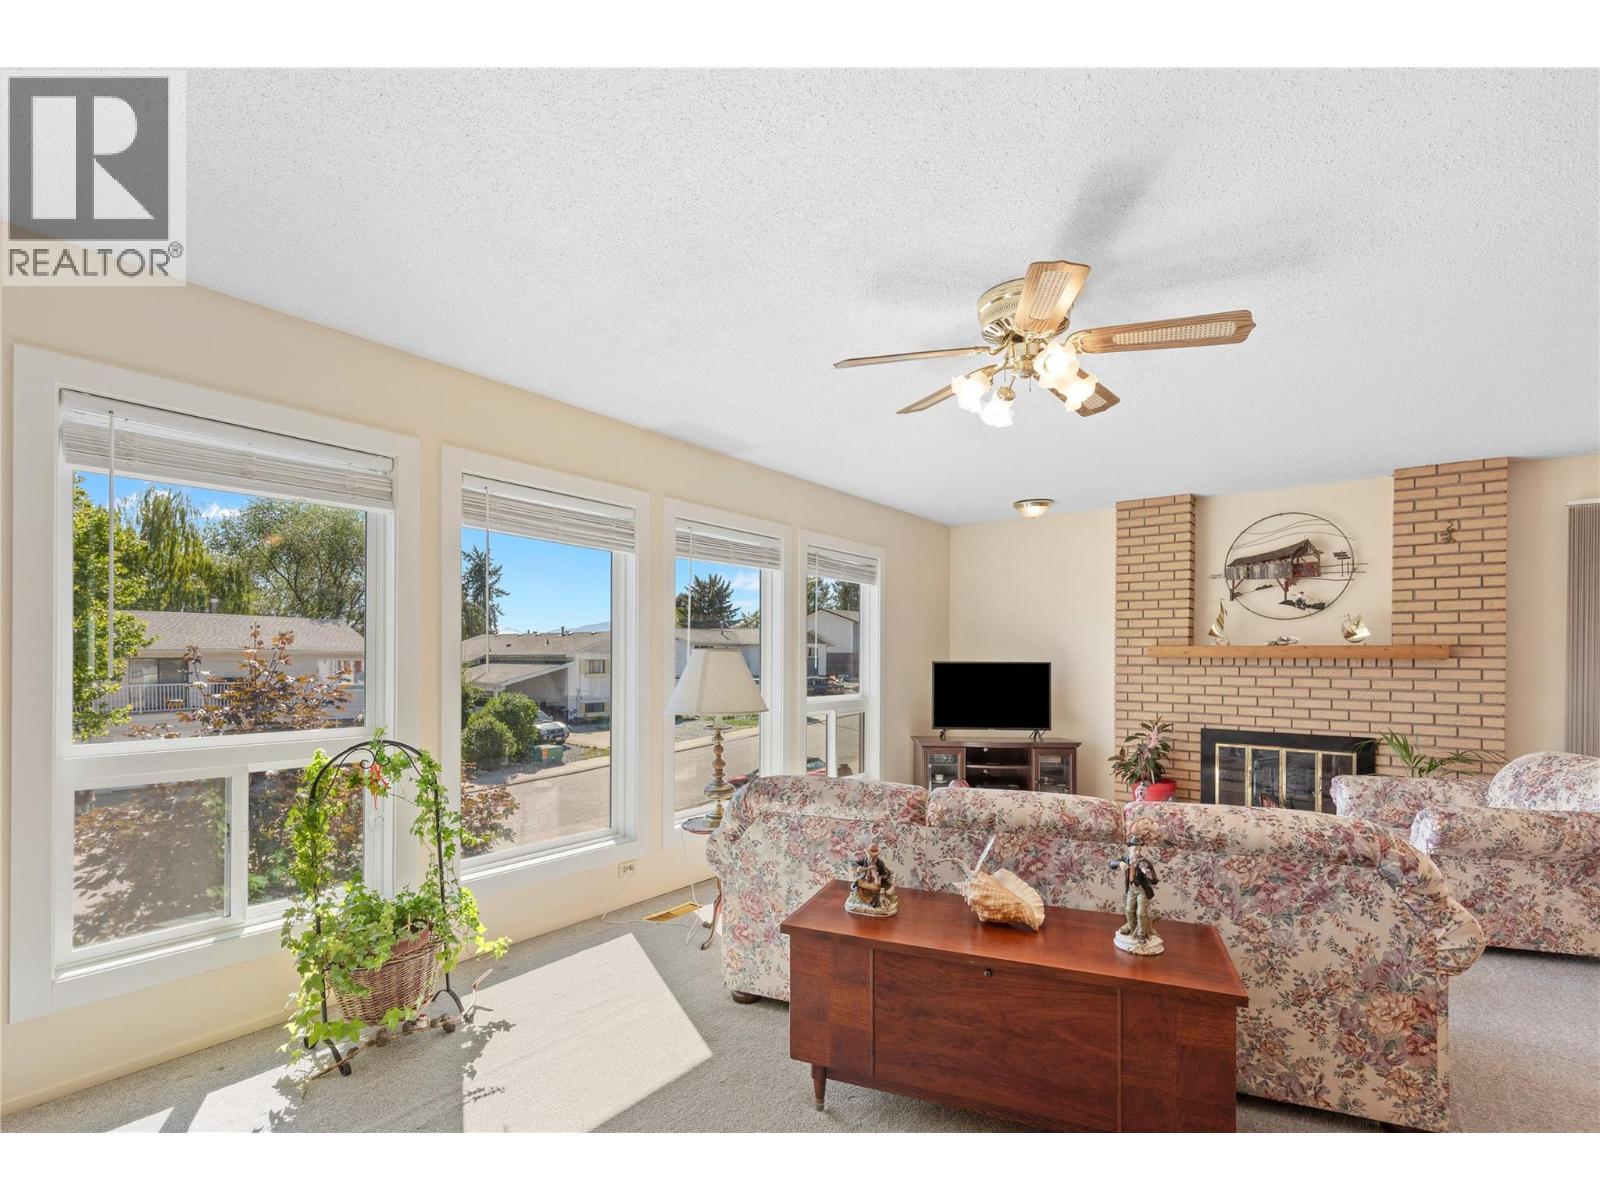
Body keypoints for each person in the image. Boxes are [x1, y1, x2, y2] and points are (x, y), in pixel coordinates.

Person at [1108, 836, 1160, 940]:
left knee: (1141, 913)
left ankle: (1141, 932)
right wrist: (1120, 863)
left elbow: (1154, 880)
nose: (1137, 852)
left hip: (1142, 891)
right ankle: (1130, 926)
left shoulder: (1144, 862)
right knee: (1128, 909)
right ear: (1129, 848)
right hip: (1131, 889)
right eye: (1135, 849)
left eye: (1139, 849)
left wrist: (1147, 873)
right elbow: (1111, 864)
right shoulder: (1126, 859)